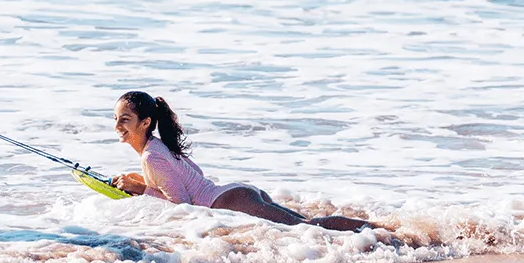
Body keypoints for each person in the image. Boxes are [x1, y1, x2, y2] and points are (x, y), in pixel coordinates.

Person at [109, 91, 377, 231]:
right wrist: (140, 181)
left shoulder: (151, 155)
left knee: (309, 228)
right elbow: (190, 176)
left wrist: (141, 189)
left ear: (144, 123)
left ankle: (384, 234)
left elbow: (183, 204)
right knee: (309, 224)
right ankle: (376, 230)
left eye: (124, 119)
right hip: (235, 193)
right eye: (116, 118)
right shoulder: (158, 147)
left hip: (230, 201)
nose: (117, 125)